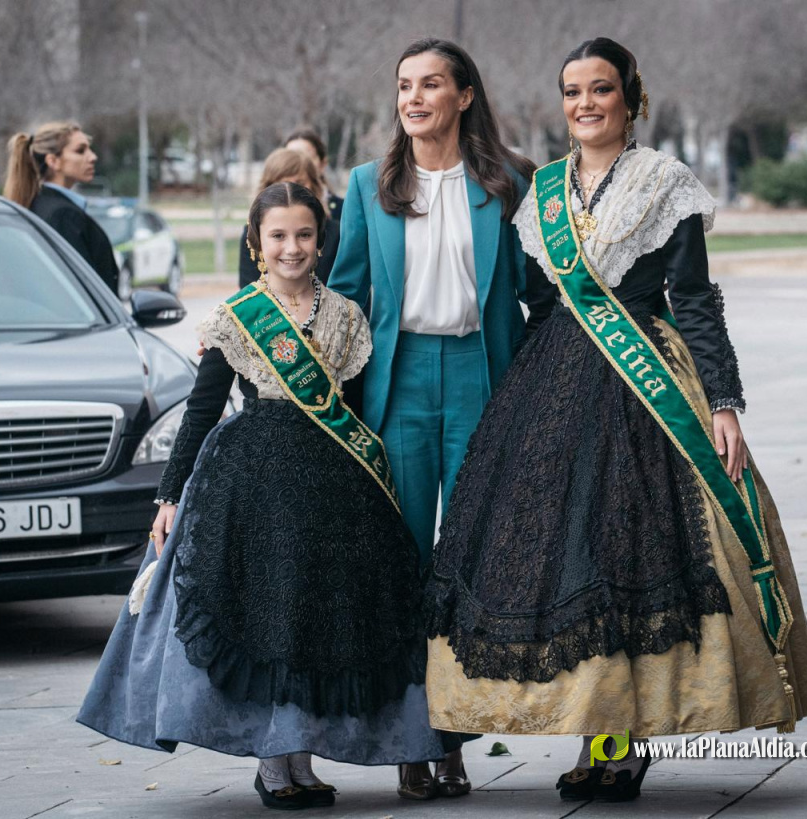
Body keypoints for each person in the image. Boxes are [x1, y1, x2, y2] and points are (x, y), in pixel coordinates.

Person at [424, 37, 807, 804]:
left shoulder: (665, 183)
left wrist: (723, 400)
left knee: (632, 558)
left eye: (600, 90)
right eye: (572, 91)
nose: (585, 104)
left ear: (630, 98)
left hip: (644, 389)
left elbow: (697, 300)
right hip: (553, 388)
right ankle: (594, 731)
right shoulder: (544, 191)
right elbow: (541, 303)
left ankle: (624, 741)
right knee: (566, 560)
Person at [78, 183, 454, 811]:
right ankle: (274, 763)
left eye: (304, 235)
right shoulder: (236, 316)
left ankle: (302, 759)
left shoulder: (345, 318)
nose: (292, 248)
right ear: (257, 243)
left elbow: (355, 414)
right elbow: (200, 413)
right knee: (268, 617)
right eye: (278, 236)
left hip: (332, 492)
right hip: (253, 488)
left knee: (312, 622)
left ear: (320, 240)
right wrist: (169, 496)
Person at [327, 37, 556, 800]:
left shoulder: (508, 182)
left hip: (481, 380)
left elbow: (538, 290)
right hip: (398, 387)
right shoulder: (368, 185)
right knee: (402, 564)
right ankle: (407, 740)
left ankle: (452, 734)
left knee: (466, 565)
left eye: (431, 84)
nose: (414, 98)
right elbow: (347, 298)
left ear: (464, 95)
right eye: (403, 86)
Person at [3, 121, 119, 295]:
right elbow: (81, 291)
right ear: (53, 161)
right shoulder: (62, 216)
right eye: (80, 150)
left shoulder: (38, 206)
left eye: (89, 149)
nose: (93, 157)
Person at [238, 148, 339, 287]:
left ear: (314, 184)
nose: (291, 189)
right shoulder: (252, 232)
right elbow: (247, 284)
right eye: (278, 236)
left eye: (305, 234)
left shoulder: (337, 233)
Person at [284, 127, 344, 223]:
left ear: (323, 164)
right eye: (290, 158)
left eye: (306, 157)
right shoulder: (269, 209)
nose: (298, 164)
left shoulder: (344, 210)